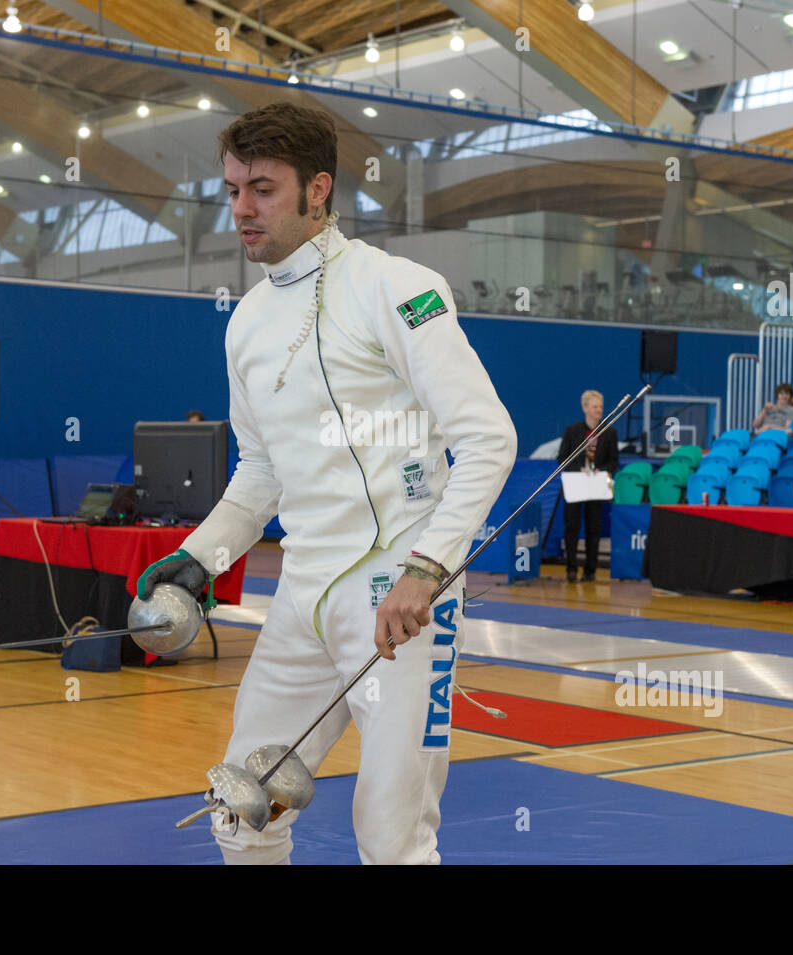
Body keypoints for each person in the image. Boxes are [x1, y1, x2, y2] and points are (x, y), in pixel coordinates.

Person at [132, 102, 516, 866]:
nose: (242, 209)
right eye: (233, 189)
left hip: (402, 597)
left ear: (318, 189)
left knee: (391, 833)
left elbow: (487, 439)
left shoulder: (397, 287)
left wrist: (428, 568)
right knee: (243, 803)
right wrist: (198, 556)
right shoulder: (244, 322)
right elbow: (261, 471)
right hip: (304, 593)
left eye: (263, 189)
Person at [558, 390, 619, 583]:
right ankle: (571, 568)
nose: (599, 410)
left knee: (594, 529)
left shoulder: (609, 432)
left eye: (600, 406)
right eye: (594, 406)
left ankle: (590, 570)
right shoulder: (572, 430)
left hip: (597, 486)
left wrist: (600, 470)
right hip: (576, 485)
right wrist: (580, 469)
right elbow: (562, 458)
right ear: (585, 408)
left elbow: (614, 462)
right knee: (572, 528)